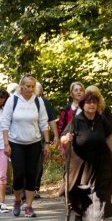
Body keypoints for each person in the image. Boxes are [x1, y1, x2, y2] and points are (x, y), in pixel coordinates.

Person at [1, 75, 50, 217]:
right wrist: (6, 144)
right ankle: (17, 200)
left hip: (34, 143)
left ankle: (28, 206)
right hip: (16, 143)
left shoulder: (38, 101)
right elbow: (5, 123)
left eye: (33, 86)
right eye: (28, 86)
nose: (30, 89)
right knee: (19, 175)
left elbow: (43, 122)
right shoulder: (13, 100)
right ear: (21, 86)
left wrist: (46, 143)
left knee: (31, 175)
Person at [60, 92, 112, 220]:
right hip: (80, 165)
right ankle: (79, 213)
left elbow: (109, 137)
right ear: (83, 105)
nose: (92, 105)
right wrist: (67, 138)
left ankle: (96, 217)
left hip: (101, 162)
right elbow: (63, 138)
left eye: (94, 102)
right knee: (80, 193)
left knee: (99, 194)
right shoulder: (76, 121)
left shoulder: (101, 119)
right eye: (89, 102)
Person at [34, 82, 59, 199]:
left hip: (41, 138)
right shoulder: (20, 102)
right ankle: (25, 188)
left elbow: (52, 120)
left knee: (38, 163)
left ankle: (35, 188)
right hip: (24, 138)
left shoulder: (45, 102)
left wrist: (56, 136)